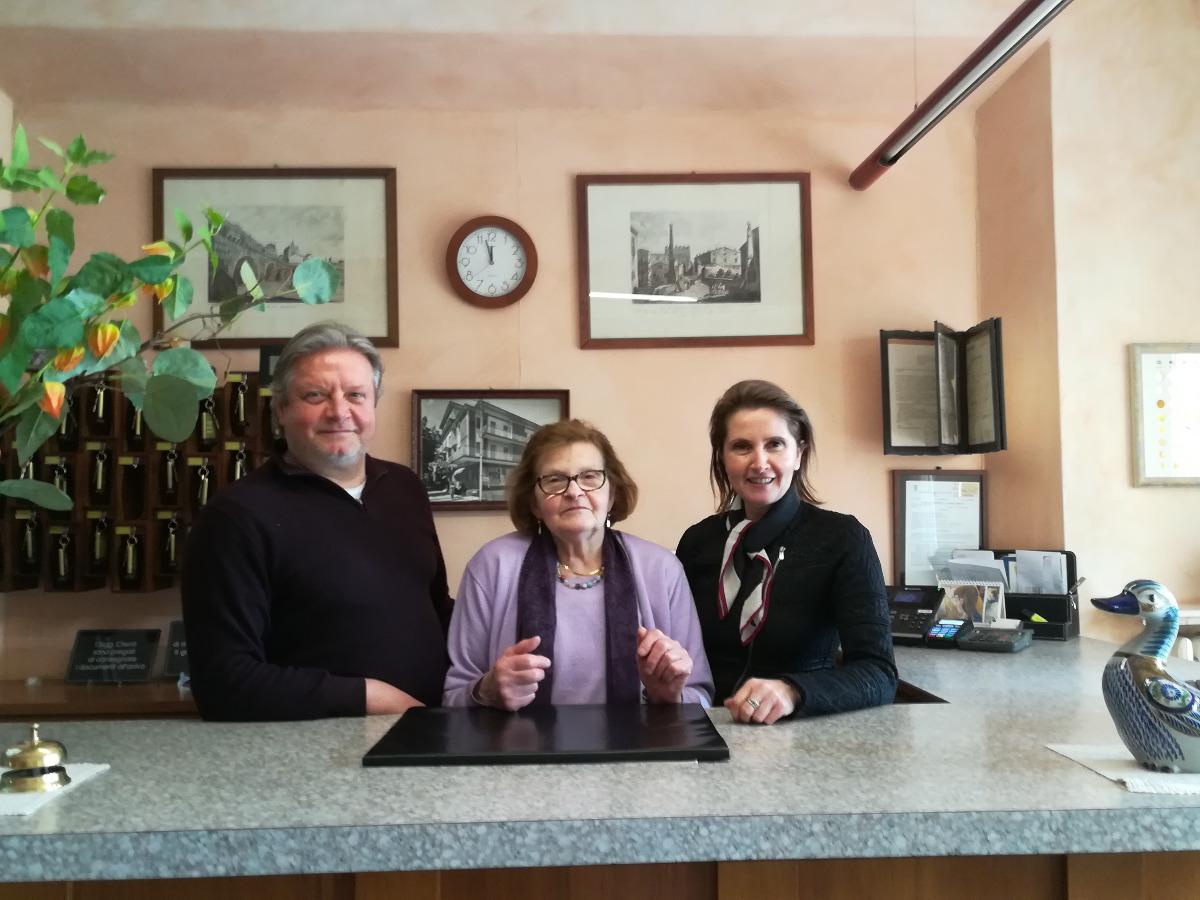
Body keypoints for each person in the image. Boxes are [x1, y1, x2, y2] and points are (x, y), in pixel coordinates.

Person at [182, 321, 452, 721]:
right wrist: (370, 696)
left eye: (356, 395)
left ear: (373, 404)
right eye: (316, 395)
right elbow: (224, 682)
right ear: (281, 410)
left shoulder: (405, 488)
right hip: (313, 747)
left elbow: (436, 608)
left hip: (426, 733)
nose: (339, 412)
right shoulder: (236, 517)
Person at [443, 419, 713, 709]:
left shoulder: (662, 569)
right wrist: (487, 691)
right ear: (534, 503)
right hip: (516, 739)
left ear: (612, 494)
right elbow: (453, 698)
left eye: (590, 476)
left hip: (639, 740)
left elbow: (700, 697)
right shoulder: (491, 566)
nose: (574, 492)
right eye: (554, 480)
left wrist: (668, 696)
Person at [676, 380, 896, 725]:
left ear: (799, 454)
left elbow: (878, 673)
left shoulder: (843, 538)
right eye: (742, 447)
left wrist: (792, 691)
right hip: (706, 727)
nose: (759, 462)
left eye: (775, 445)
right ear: (722, 458)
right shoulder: (697, 542)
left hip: (800, 731)